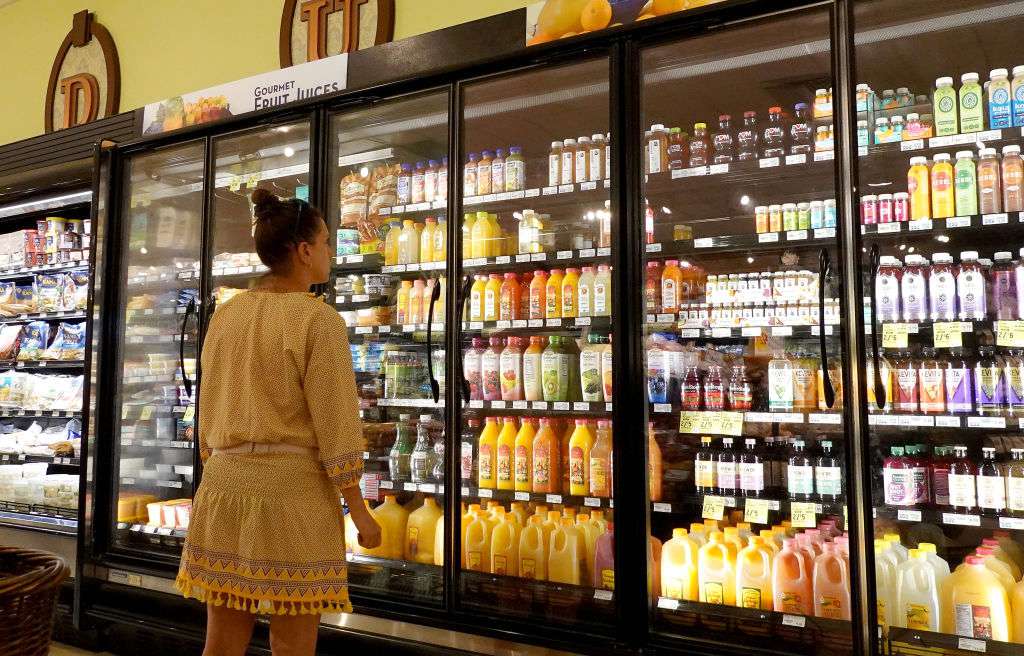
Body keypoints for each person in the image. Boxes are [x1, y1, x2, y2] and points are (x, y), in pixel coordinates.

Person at [175, 188, 381, 656]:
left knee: (221, 642)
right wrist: (359, 508)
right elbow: (336, 420)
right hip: (293, 497)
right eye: (326, 241)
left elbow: (206, 408)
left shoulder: (226, 316)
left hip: (224, 488)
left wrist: (218, 463)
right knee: (292, 644)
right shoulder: (318, 320)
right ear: (304, 251)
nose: (330, 251)